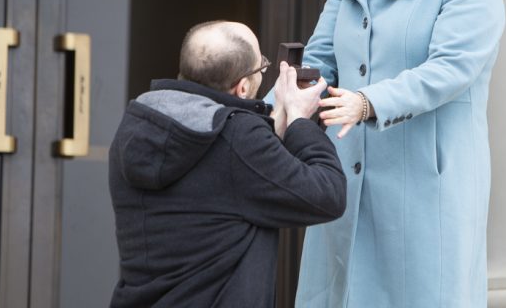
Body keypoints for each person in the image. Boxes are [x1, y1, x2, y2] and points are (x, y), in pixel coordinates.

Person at [293, 0, 506, 307]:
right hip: (348, 177)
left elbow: (449, 70)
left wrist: (366, 102)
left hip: (428, 183)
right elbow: (320, 56)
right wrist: (293, 97)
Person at [108, 20, 346, 308]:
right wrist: (298, 119)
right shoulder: (238, 139)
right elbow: (328, 194)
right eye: (262, 67)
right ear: (243, 87)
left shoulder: (136, 124)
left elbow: (223, 183)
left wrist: (274, 131)